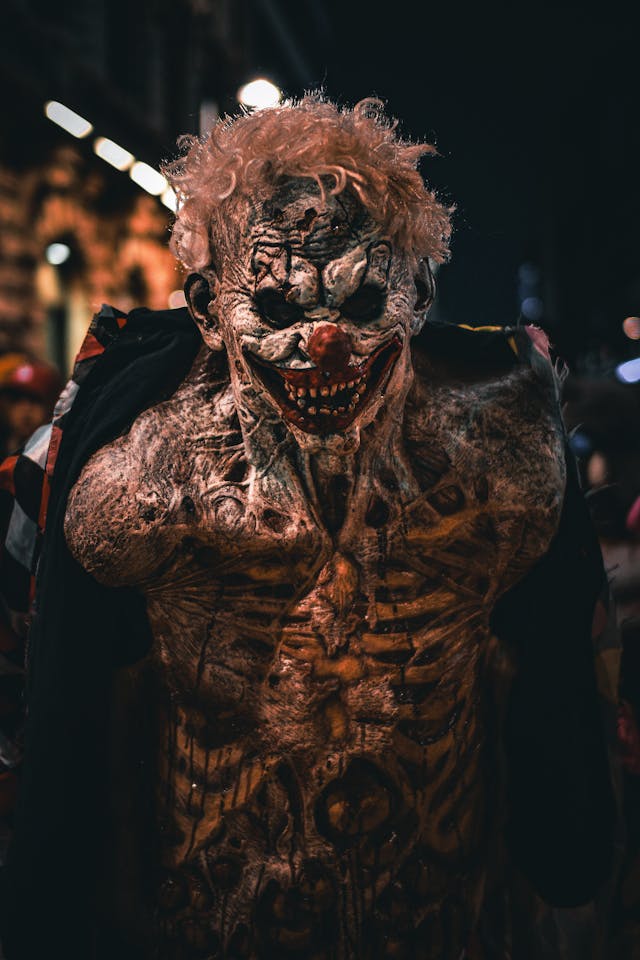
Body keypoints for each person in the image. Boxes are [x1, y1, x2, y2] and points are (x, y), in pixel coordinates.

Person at [0, 96, 616, 959]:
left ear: (421, 294)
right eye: (280, 310)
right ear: (211, 310)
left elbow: (561, 681)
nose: (323, 345)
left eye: (364, 301)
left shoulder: (504, 462)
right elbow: (40, 702)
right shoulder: (137, 485)